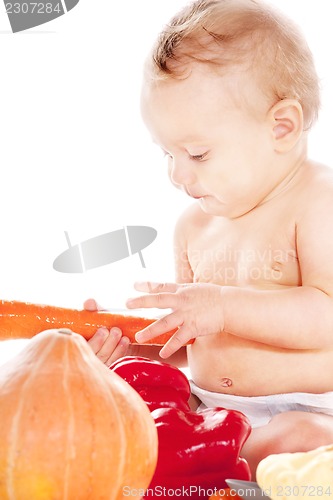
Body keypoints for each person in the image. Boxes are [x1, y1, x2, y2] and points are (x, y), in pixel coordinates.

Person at [87, 0, 333, 478]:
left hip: (305, 411)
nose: (178, 174)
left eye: (198, 153)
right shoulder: (193, 227)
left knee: (303, 438)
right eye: (167, 153)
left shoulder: (317, 203)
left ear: (281, 127)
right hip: (208, 414)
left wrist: (222, 306)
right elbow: (189, 343)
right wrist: (128, 348)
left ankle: (242, 476)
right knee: (128, 423)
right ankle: (223, 477)